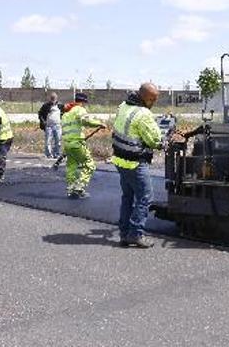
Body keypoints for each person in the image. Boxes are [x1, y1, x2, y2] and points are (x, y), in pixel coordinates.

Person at [111, 83, 165, 248]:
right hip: (134, 163)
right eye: (153, 99)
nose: (154, 102)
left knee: (127, 197)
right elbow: (154, 140)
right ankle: (135, 234)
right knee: (145, 197)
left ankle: (124, 233)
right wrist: (165, 141)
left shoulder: (123, 106)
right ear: (146, 97)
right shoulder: (143, 114)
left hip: (120, 160)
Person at [60, 92, 106, 198]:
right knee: (90, 165)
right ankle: (79, 188)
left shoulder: (66, 113)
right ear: (83, 102)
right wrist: (99, 123)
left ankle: (71, 189)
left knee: (71, 166)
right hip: (77, 143)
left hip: (68, 144)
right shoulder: (79, 110)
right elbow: (86, 121)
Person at [38, 92, 62, 159]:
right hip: (49, 126)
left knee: (58, 141)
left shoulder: (60, 105)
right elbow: (40, 114)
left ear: (56, 98)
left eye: (54, 98)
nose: (53, 99)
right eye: (52, 98)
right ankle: (48, 154)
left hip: (58, 126)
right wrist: (43, 122)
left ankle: (57, 154)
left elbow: (64, 113)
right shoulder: (46, 105)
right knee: (48, 141)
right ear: (50, 98)